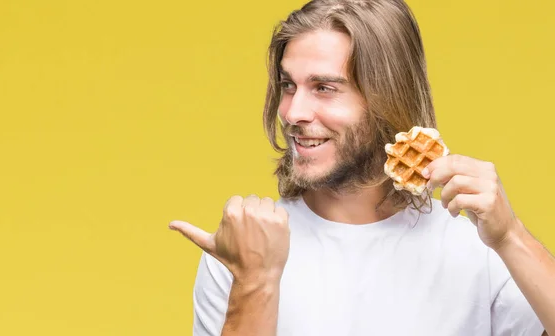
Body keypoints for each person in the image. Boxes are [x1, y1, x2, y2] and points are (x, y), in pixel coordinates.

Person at [169, 0, 555, 335]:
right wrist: (256, 282)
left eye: (324, 87)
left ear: (387, 98)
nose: (292, 112)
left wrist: (511, 238)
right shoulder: (244, 251)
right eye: (289, 85)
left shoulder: (478, 251)